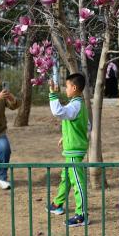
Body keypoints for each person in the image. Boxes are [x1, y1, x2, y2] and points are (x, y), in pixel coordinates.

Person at [46, 73, 90, 227]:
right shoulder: (80, 105)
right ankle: (57, 204)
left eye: (67, 86)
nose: (65, 89)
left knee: (77, 181)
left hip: (74, 150)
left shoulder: (75, 105)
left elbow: (58, 112)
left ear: (74, 87)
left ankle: (82, 215)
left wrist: (53, 94)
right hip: (73, 147)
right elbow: (86, 125)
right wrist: (67, 136)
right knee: (67, 177)